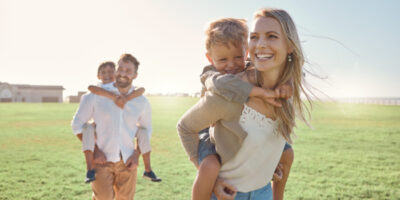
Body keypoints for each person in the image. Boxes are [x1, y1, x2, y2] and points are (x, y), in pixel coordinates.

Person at [178, 8, 312, 200]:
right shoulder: (225, 91)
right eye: (255, 36)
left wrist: (265, 165)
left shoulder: (287, 88)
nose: (261, 44)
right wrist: (210, 178)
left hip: (264, 192)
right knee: (210, 166)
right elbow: (185, 126)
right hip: (229, 194)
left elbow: (296, 71)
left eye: (272, 36)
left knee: (287, 153)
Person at [72, 53, 152, 199]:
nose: (122, 73)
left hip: (128, 164)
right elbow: (77, 126)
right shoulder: (95, 96)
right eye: (120, 68)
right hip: (102, 163)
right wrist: (95, 150)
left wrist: (136, 154)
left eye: (128, 71)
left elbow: (146, 130)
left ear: (135, 75)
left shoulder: (141, 101)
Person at [85, 62, 162, 183]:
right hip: (101, 128)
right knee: (88, 129)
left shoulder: (121, 88)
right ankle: (89, 169)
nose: (108, 75)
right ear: (98, 75)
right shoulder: (99, 89)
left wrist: (126, 98)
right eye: (103, 72)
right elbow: (91, 88)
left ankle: (148, 169)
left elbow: (141, 89)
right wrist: (113, 97)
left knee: (143, 131)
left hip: (123, 131)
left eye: (111, 72)